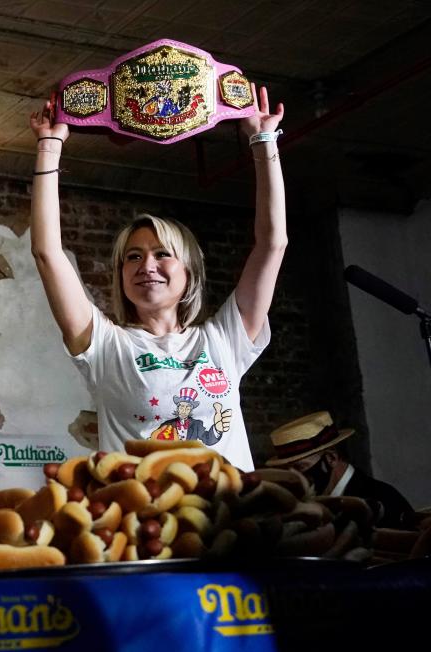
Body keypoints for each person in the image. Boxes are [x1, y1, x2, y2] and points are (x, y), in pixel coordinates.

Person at [29, 85, 285, 470]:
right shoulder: (104, 346)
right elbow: (48, 253)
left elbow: (272, 243)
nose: (146, 265)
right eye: (133, 257)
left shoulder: (223, 339)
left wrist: (263, 141)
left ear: (189, 272)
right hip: (146, 525)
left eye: (162, 254)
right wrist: (49, 147)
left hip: (229, 524)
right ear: (121, 275)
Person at [265, 410, 414, 529]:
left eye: (300, 467)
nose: (293, 477)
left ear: (331, 458)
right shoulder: (302, 507)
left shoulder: (383, 498)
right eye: (287, 469)